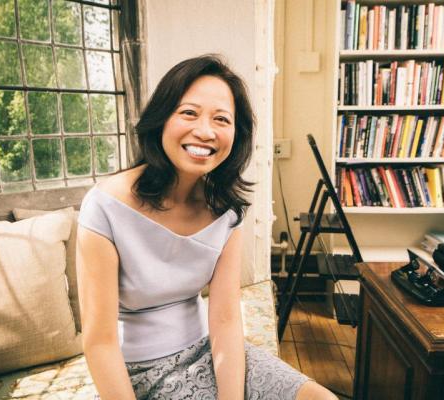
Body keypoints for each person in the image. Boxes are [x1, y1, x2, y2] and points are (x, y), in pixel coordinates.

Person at [76, 54, 338, 400]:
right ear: (161, 119)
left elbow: (227, 320)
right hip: (136, 372)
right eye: (188, 113)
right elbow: (100, 341)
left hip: (207, 351)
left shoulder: (227, 211)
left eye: (221, 119)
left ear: (236, 134)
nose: (204, 131)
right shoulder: (105, 206)